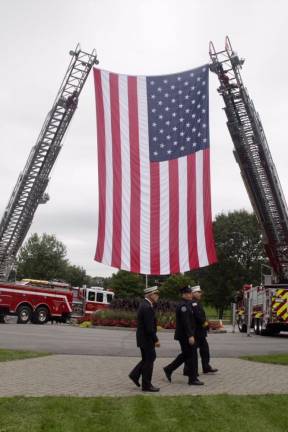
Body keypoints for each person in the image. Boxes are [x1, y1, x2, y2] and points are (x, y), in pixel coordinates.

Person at [163, 286, 204, 386]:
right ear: (185, 294)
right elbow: (186, 322)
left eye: (191, 293)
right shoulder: (183, 306)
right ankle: (192, 379)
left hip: (186, 335)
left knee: (186, 355)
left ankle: (169, 369)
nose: (191, 295)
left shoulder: (187, 304)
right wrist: (190, 335)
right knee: (191, 356)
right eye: (189, 293)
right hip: (185, 336)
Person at [129, 286, 160, 392]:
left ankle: (135, 374)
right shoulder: (147, 307)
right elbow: (149, 327)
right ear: (150, 295)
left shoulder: (146, 305)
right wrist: (156, 339)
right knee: (149, 360)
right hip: (146, 339)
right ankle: (146, 385)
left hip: (143, 338)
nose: (157, 296)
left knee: (148, 359)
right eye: (156, 294)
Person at [191, 286, 218, 374]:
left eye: (200, 292)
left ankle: (206, 367)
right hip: (197, 332)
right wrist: (206, 324)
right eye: (198, 292)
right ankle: (189, 369)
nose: (200, 294)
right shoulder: (194, 303)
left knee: (204, 350)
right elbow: (198, 317)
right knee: (192, 352)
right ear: (193, 293)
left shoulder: (197, 303)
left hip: (200, 332)